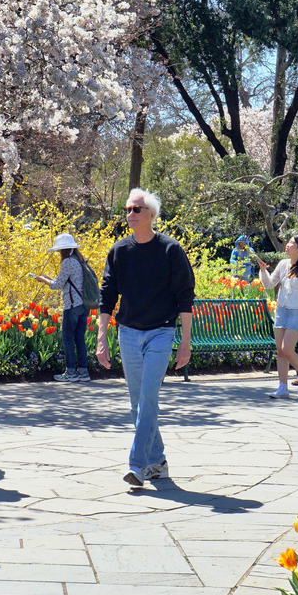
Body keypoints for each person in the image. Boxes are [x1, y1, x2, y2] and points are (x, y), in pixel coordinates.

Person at [97, 189, 195, 487]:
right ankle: (158, 461)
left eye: (137, 209)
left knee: (148, 398)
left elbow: (185, 297)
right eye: (128, 209)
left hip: (161, 333)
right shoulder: (119, 251)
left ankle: (137, 465)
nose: (130, 214)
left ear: (151, 214)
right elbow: (107, 294)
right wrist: (102, 337)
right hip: (128, 332)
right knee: (138, 403)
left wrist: (186, 342)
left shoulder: (170, 249)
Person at [256, 235, 298, 398]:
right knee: (280, 351)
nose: (287, 245)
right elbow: (269, 284)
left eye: (291, 243)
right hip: (281, 311)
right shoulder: (283, 264)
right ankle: (282, 387)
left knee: (287, 349)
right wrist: (263, 271)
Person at [35, 233, 95, 382]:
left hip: (72, 305)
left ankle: (70, 373)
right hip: (83, 304)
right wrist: (50, 279)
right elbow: (69, 281)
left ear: (62, 250)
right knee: (79, 338)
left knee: (67, 338)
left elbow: (58, 285)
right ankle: (83, 372)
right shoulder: (80, 260)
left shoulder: (68, 262)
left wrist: (43, 280)